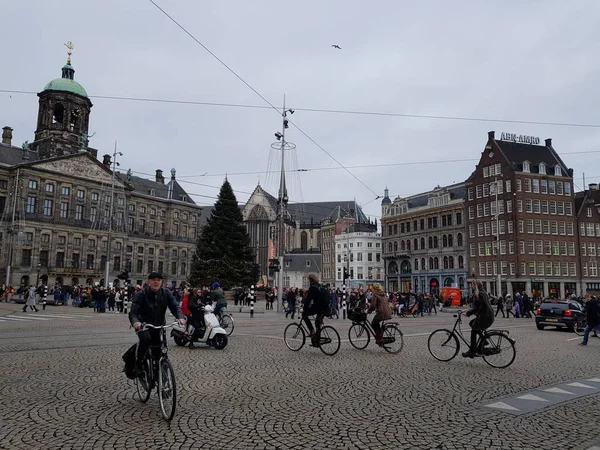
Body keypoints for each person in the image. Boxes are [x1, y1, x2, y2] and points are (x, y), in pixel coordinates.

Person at [129, 272, 185, 377]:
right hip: (144, 325)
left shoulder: (166, 293)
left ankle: (160, 372)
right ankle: (139, 363)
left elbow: (175, 306)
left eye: (158, 280)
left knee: (160, 349)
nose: (156, 282)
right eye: (153, 280)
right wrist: (136, 322)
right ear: (148, 282)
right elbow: (133, 312)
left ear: (161, 282)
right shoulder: (141, 295)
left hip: (159, 325)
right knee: (146, 340)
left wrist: (180, 317)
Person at [463, 280, 494, 358]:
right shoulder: (482, 292)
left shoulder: (480, 294)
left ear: (475, 286)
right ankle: (484, 340)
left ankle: (471, 351)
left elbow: (478, 308)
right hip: (487, 316)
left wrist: (467, 313)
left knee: (473, 330)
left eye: (472, 285)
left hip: (485, 317)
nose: (471, 286)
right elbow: (478, 306)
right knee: (472, 323)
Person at [301, 274, 328, 344]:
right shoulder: (320, 286)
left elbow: (308, 300)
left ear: (311, 281)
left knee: (304, 315)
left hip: (318, 307)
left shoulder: (312, 288)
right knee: (317, 323)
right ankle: (317, 341)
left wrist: (304, 308)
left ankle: (312, 330)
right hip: (324, 308)